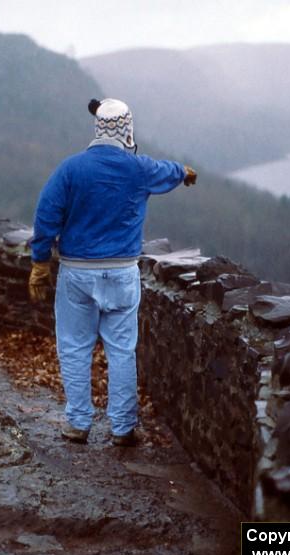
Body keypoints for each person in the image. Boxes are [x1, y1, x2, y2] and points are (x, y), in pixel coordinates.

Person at [29, 98, 198, 446]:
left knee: (75, 349)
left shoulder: (70, 169)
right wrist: (184, 172)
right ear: (127, 129)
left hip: (77, 273)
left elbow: (46, 216)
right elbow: (168, 170)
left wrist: (39, 262)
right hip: (122, 272)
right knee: (121, 351)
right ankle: (123, 427)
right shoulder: (139, 169)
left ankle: (78, 423)